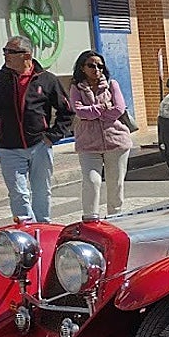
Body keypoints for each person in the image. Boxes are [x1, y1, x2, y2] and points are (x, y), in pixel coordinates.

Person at [0, 34, 72, 223]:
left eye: (11, 52)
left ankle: (42, 228)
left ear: (26, 55)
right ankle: (26, 231)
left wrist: (53, 136)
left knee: (42, 191)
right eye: (5, 51)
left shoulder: (47, 80)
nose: (6, 55)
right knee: (18, 193)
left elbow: (67, 111)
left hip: (40, 146)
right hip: (8, 147)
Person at [69, 50, 133, 218]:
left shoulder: (112, 85)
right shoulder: (76, 88)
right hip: (88, 143)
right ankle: (90, 218)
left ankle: (116, 218)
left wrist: (94, 112)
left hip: (116, 140)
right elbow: (80, 111)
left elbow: (119, 109)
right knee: (92, 181)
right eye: (91, 65)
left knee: (115, 184)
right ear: (82, 68)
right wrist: (103, 108)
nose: (96, 69)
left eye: (100, 66)